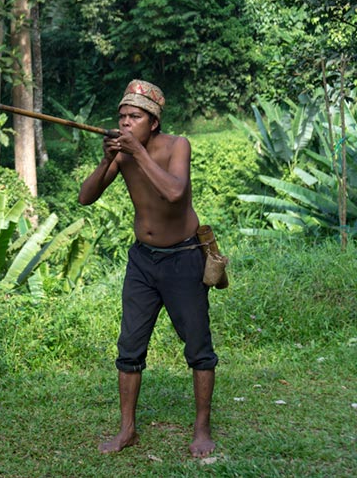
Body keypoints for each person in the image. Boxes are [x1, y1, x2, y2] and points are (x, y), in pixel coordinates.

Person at [78, 79, 218, 458]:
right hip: (142, 260)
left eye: (134, 117)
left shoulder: (177, 146)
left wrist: (135, 153)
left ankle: (202, 429)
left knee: (198, 347)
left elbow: (174, 192)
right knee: (129, 346)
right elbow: (85, 198)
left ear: (152, 122)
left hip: (184, 258)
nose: (125, 123)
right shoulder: (122, 155)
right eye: (122, 116)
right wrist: (108, 158)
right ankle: (127, 431)